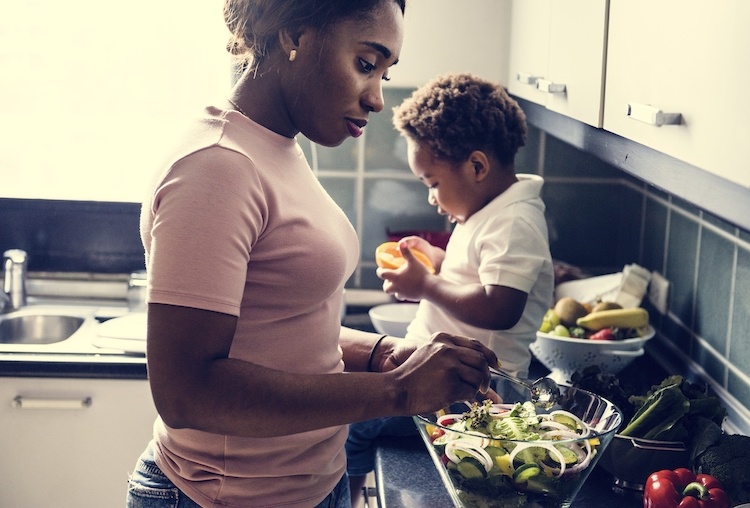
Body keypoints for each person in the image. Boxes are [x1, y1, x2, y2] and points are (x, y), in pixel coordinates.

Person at [125, 3, 500, 508]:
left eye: (385, 74)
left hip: (310, 486)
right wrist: (399, 390)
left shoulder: (276, 146)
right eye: (367, 64)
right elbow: (187, 391)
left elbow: (278, 324)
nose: (378, 100)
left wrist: (378, 354)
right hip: (222, 498)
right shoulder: (217, 165)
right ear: (295, 32)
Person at [346, 73, 555, 504]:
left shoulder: (514, 222)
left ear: (477, 166)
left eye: (433, 183)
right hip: (443, 376)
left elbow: (500, 307)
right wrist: (437, 264)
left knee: (353, 420)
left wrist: (426, 285)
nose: (431, 199)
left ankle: (345, 498)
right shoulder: (487, 211)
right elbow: (474, 276)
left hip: (474, 391)